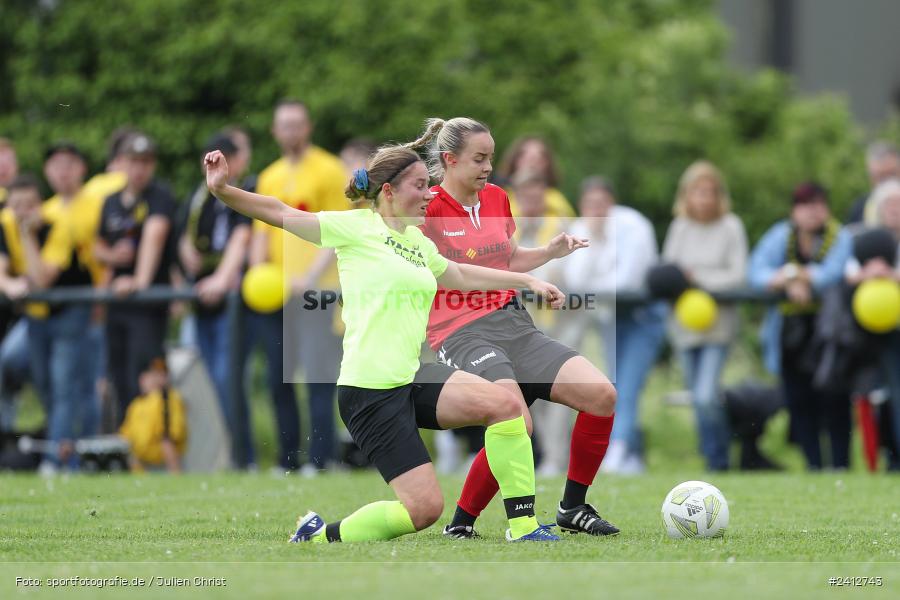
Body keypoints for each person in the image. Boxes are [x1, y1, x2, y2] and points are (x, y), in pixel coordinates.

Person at [205, 143, 564, 543]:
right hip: (370, 392)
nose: (429, 195)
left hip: (411, 376)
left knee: (507, 406)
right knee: (423, 510)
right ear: (389, 191)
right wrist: (223, 190)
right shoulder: (356, 227)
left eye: (429, 185)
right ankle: (319, 536)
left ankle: (524, 526)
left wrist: (527, 280)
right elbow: (280, 212)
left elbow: (462, 275)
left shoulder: (418, 242)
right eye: (420, 186)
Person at [411, 118, 618, 538]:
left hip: (514, 324)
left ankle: (572, 508)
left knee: (601, 395)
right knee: (515, 421)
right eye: (479, 158)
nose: (489, 166)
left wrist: (548, 252)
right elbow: (453, 275)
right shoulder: (427, 208)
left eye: (490, 157)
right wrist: (527, 282)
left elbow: (506, 257)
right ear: (450, 160)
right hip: (461, 333)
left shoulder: (496, 198)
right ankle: (492, 524)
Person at [246, 99, 346, 473]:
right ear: (274, 131)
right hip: (278, 294)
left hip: (318, 292)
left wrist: (311, 277)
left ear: (309, 127)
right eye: (284, 125)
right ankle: (287, 459)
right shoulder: (269, 176)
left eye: (297, 124)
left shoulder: (329, 169)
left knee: (318, 377)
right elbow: (261, 232)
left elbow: (338, 229)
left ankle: (320, 460)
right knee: (277, 378)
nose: (291, 131)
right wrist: (258, 273)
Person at [554, 176, 665, 476]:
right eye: (590, 204)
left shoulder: (634, 226)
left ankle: (618, 452)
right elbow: (576, 280)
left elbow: (627, 281)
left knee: (627, 385)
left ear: (612, 202)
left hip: (641, 317)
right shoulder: (579, 229)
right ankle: (628, 453)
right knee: (613, 385)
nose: (596, 210)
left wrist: (594, 285)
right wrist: (594, 239)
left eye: (601, 203)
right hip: (607, 319)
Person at [748, 182, 852, 470]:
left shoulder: (839, 236)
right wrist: (789, 277)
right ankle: (813, 466)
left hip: (830, 333)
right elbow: (755, 271)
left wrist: (800, 277)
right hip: (790, 334)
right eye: (805, 205)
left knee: (834, 399)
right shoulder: (780, 235)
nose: (812, 212)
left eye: (818, 205)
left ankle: (840, 465)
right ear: (794, 210)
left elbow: (834, 272)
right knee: (800, 400)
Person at [0, 174, 91, 472]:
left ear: (40, 204)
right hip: (36, 316)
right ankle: (61, 450)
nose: (22, 212)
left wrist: (27, 236)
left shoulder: (59, 224)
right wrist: (10, 285)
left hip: (69, 313)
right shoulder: (5, 223)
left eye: (29, 205)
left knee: (64, 387)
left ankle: (57, 461)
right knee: (43, 385)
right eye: (16, 206)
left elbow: (40, 280)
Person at [662, 161, 748, 471]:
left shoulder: (731, 226)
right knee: (698, 398)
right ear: (687, 194)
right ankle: (712, 456)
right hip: (684, 326)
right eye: (698, 192)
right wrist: (681, 280)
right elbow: (669, 271)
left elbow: (738, 275)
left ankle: (719, 460)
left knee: (705, 396)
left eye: (710, 192)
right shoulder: (680, 227)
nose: (704, 198)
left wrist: (698, 278)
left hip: (718, 326)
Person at [178, 134, 251, 464]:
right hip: (199, 302)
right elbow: (182, 235)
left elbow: (241, 236)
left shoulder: (242, 190)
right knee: (207, 385)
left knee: (228, 381)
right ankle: (223, 458)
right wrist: (186, 258)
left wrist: (222, 279)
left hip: (230, 304)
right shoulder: (198, 197)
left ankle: (243, 457)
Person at [94, 133, 176, 426]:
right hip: (117, 304)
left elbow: (155, 236)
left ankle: (153, 440)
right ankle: (128, 440)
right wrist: (112, 256)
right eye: (133, 161)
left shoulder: (160, 196)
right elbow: (97, 246)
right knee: (118, 378)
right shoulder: (110, 201)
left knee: (146, 376)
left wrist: (138, 281)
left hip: (147, 305)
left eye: (146, 162)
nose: (139, 169)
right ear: (121, 163)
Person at [42, 142, 107, 439]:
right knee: (53, 380)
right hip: (53, 312)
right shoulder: (45, 210)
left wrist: (101, 300)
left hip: (92, 306)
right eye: (56, 165)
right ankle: (60, 443)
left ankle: (85, 448)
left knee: (87, 384)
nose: (63, 172)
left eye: (69, 164)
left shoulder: (98, 203)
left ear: (82, 168)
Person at [119, 354, 187, 473]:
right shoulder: (137, 404)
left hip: (160, 455)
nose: (157, 379)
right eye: (153, 375)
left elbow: (172, 433)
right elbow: (125, 433)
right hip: (139, 456)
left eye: (162, 374)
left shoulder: (169, 398)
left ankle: (175, 473)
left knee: (167, 442)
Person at [496, 135, 575, 218]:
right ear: (514, 161)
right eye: (525, 156)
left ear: (547, 164)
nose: (532, 163)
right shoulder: (498, 199)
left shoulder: (558, 202)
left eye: (539, 157)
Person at [846, 142, 900, 225]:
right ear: (871, 177)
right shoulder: (860, 208)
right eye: (881, 177)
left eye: (892, 174)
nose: (887, 182)